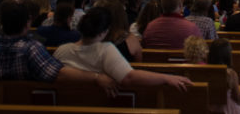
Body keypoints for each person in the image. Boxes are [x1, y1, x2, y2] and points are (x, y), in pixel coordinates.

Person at [53, 6, 191, 92]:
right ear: (104, 31)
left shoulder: (61, 50)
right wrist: (166, 78)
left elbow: (57, 75)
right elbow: (129, 77)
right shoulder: (106, 50)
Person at [207, 38, 240, 114]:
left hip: (209, 109)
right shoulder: (231, 74)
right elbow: (238, 99)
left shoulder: (204, 71)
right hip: (226, 110)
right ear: (228, 55)